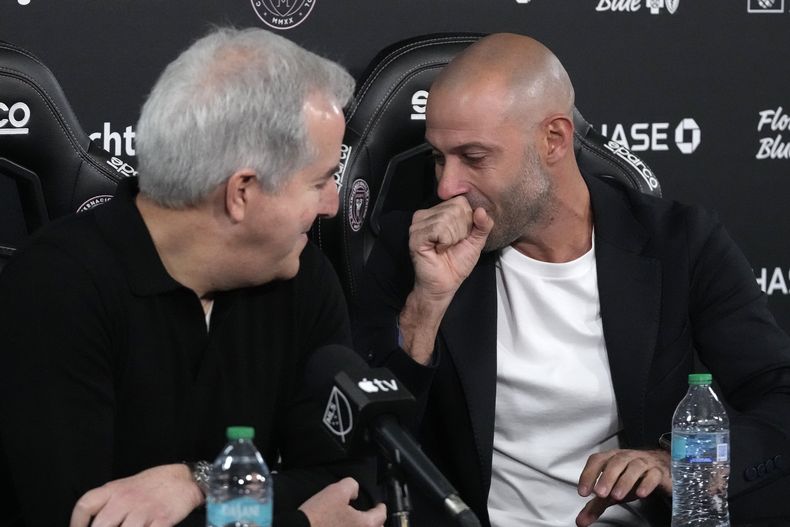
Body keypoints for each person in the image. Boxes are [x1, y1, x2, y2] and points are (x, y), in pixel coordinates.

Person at [353, 33, 790, 526]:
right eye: (438, 157)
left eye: (473, 158)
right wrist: (428, 303)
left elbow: (779, 397)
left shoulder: (681, 243)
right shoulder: (413, 246)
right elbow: (371, 440)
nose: (446, 186)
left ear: (554, 140)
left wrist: (681, 464)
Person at [0, 27, 386, 527]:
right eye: (319, 182)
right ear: (241, 193)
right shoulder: (55, 287)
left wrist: (200, 481)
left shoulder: (303, 277)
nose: (333, 206)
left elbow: (350, 486)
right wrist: (298, 521)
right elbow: (80, 518)